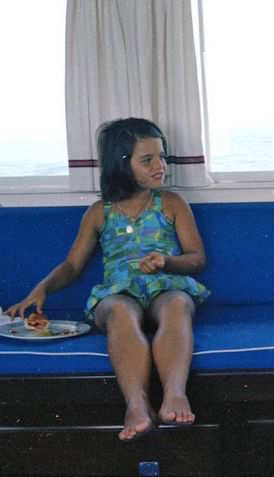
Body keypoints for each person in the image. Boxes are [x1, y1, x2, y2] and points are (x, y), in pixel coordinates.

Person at [3, 118, 210, 441]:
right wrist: (41, 288)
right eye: (148, 160)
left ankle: (174, 393)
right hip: (119, 291)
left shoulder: (172, 204)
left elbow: (197, 258)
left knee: (177, 304)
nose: (160, 166)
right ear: (121, 164)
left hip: (165, 284)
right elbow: (72, 265)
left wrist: (166, 261)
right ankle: (137, 405)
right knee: (119, 313)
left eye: (162, 157)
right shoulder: (101, 211)